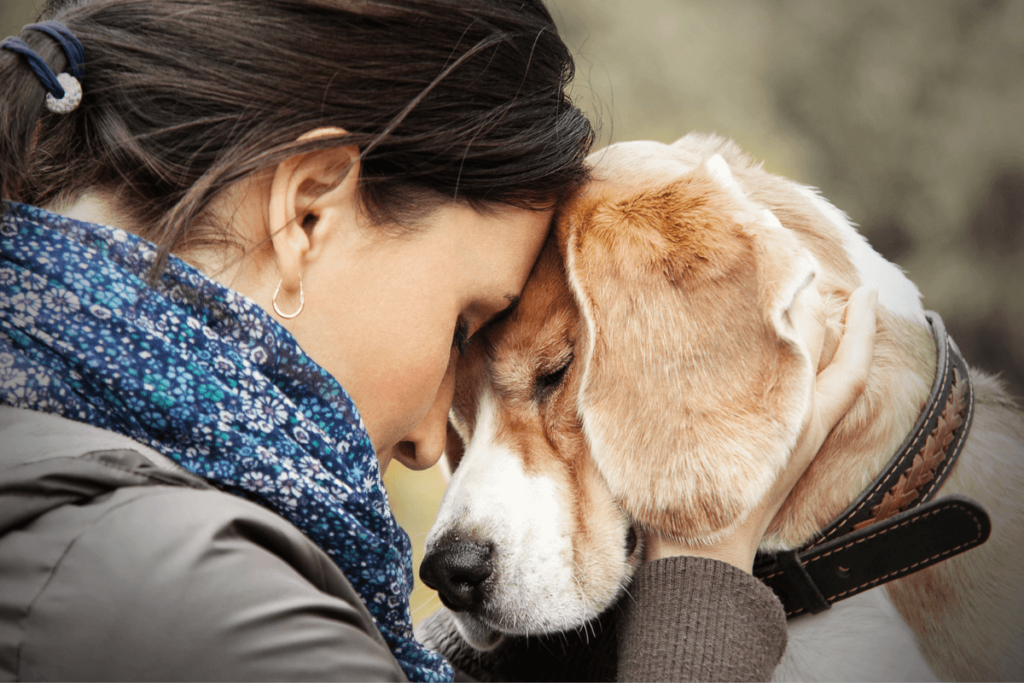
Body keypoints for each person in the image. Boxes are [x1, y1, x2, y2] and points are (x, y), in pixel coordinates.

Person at [0, 0, 877, 680]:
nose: (429, 445)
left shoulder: (63, 482)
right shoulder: (191, 601)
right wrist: (700, 588)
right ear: (306, 211)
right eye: (463, 323)